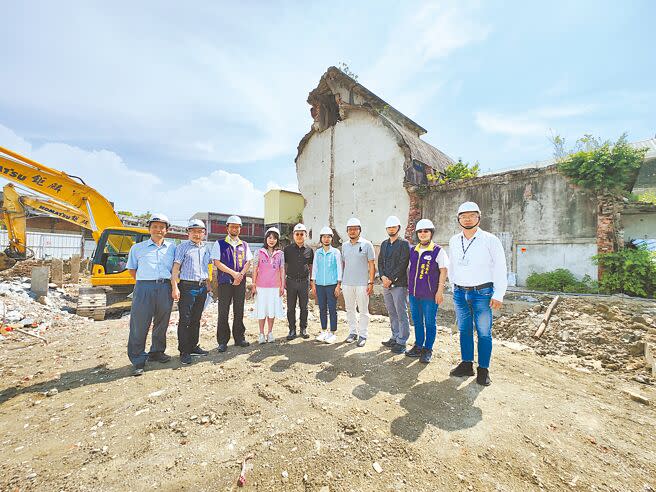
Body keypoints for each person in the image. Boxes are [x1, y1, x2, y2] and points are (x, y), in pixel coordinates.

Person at [448, 202, 507, 386]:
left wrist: (499, 293)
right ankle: (467, 364)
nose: (467, 219)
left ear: (479, 218)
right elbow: (452, 266)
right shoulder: (454, 240)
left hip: (483, 293)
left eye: (471, 215)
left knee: (483, 332)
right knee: (464, 330)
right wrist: (453, 287)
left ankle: (483, 369)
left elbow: (500, 267)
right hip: (460, 292)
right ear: (458, 219)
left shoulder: (490, 240)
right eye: (463, 216)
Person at [125, 213, 177, 376]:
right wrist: (145, 282)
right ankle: (138, 359)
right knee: (139, 324)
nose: (158, 230)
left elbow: (175, 269)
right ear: (149, 229)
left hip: (165, 288)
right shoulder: (137, 248)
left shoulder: (172, 248)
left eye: (162, 227)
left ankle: (157, 352)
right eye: (155, 226)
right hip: (144, 288)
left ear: (166, 231)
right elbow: (132, 269)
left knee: (162, 322)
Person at [406, 218, 449, 364]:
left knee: (430, 322)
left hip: (430, 295)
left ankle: (427, 349)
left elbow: (443, 271)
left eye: (426, 231)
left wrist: (440, 291)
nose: (423, 234)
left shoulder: (438, 251)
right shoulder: (413, 250)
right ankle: (418, 345)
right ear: (417, 234)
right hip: (414, 293)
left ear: (431, 233)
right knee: (417, 321)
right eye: (420, 232)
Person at [171, 219, 211, 366]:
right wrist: (175, 287)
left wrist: (208, 285)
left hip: (202, 288)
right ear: (188, 232)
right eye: (193, 231)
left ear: (204, 233)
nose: (197, 234)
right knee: (185, 320)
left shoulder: (206, 248)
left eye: (200, 231)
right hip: (187, 287)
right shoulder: (182, 248)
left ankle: (194, 346)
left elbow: (206, 268)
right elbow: (175, 269)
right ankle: (184, 351)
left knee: (196, 319)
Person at [211, 215, 253, 352]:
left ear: (240, 228)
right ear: (227, 228)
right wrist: (233, 274)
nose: (235, 228)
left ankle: (239, 338)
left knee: (239, 310)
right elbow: (217, 262)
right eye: (232, 226)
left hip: (240, 282)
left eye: (237, 226)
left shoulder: (245, 245)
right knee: (223, 311)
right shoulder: (219, 243)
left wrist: (240, 275)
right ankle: (222, 341)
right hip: (225, 282)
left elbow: (248, 262)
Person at [378, 215, 411, 354]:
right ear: (387, 229)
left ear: (398, 228)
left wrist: (391, 279)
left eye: (394, 227)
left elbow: (403, 264)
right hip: (386, 284)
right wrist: (383, 277)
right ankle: (394, 336)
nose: (391, 229)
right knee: (391, 312)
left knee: (401, 312)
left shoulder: (404, 244)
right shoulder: (384, 244)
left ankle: (402, 341)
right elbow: (380, 262)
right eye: (389, 227)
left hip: (399, 284)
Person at [341, 217, 375, 347]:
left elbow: (372, 265)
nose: (352, 231)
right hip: (347, 283)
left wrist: (371, 282)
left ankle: (363, 335)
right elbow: (344, 264)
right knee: (349, 309)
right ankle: (353, 332)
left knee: (363, 310)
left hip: (362, 283)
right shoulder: (344, 246)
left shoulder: (367, 245)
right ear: (347, 231)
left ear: (359, 230)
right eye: (350, 229)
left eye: (355, 229)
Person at [251, 227, 285, 344]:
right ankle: (261, 334)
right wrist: (254, 284)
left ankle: (270, 333)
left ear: (277, 240)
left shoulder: (280, 254)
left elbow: (282, 270)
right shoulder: (258, 252)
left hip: (275, 287)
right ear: (266, 239)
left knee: (271, 311)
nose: (272, 240)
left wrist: (282, 286)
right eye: (270, 238)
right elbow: (255, 269)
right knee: (262, 311)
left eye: (275, 238)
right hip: (261, 287)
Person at [311, 226, 342, 344]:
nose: (326, 239)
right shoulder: (318, 252)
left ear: (331, 238)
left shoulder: (336, 252)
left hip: (331, 285)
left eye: (328, 237)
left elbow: (339, 268)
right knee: (322, 308)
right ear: (321, 239)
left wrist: (338, 284)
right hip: (319, 285)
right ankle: (324, 331)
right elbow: (315, 268)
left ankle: (332, 332)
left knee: (332, 309)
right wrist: (313, 284)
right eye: (324, 237)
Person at [283, 223, 314, 340]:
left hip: (304, 282)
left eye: (302, 234)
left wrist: (311, 281)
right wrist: (284, 280)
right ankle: (292, 329)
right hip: (290, 282)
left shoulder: (310, 251)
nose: (299, 236)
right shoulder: (287, 250)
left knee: (304, 307)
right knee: (290, 307)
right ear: (293, 235)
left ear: (305, 235)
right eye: (297, 234)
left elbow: (311, 267)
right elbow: (283, 266)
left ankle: (303, 328)